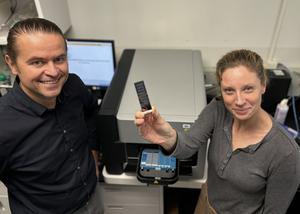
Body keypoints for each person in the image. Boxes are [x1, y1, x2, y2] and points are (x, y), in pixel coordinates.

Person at [135, 49, 300, 214]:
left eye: (248, 89)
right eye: (229, 91)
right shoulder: (217, 109)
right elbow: (188, 147)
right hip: (207, 203)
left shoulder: (286, 153)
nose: (239, 101)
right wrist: (166, 136)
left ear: (263, 85)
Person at [0, 18, 103, 213]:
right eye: (37, 62)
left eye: (59, 59)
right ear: (12, 64)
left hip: (92, 199)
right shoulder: (3, 125)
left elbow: (91, 114)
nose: (53, 72)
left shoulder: (73, 85)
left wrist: (93, 153)